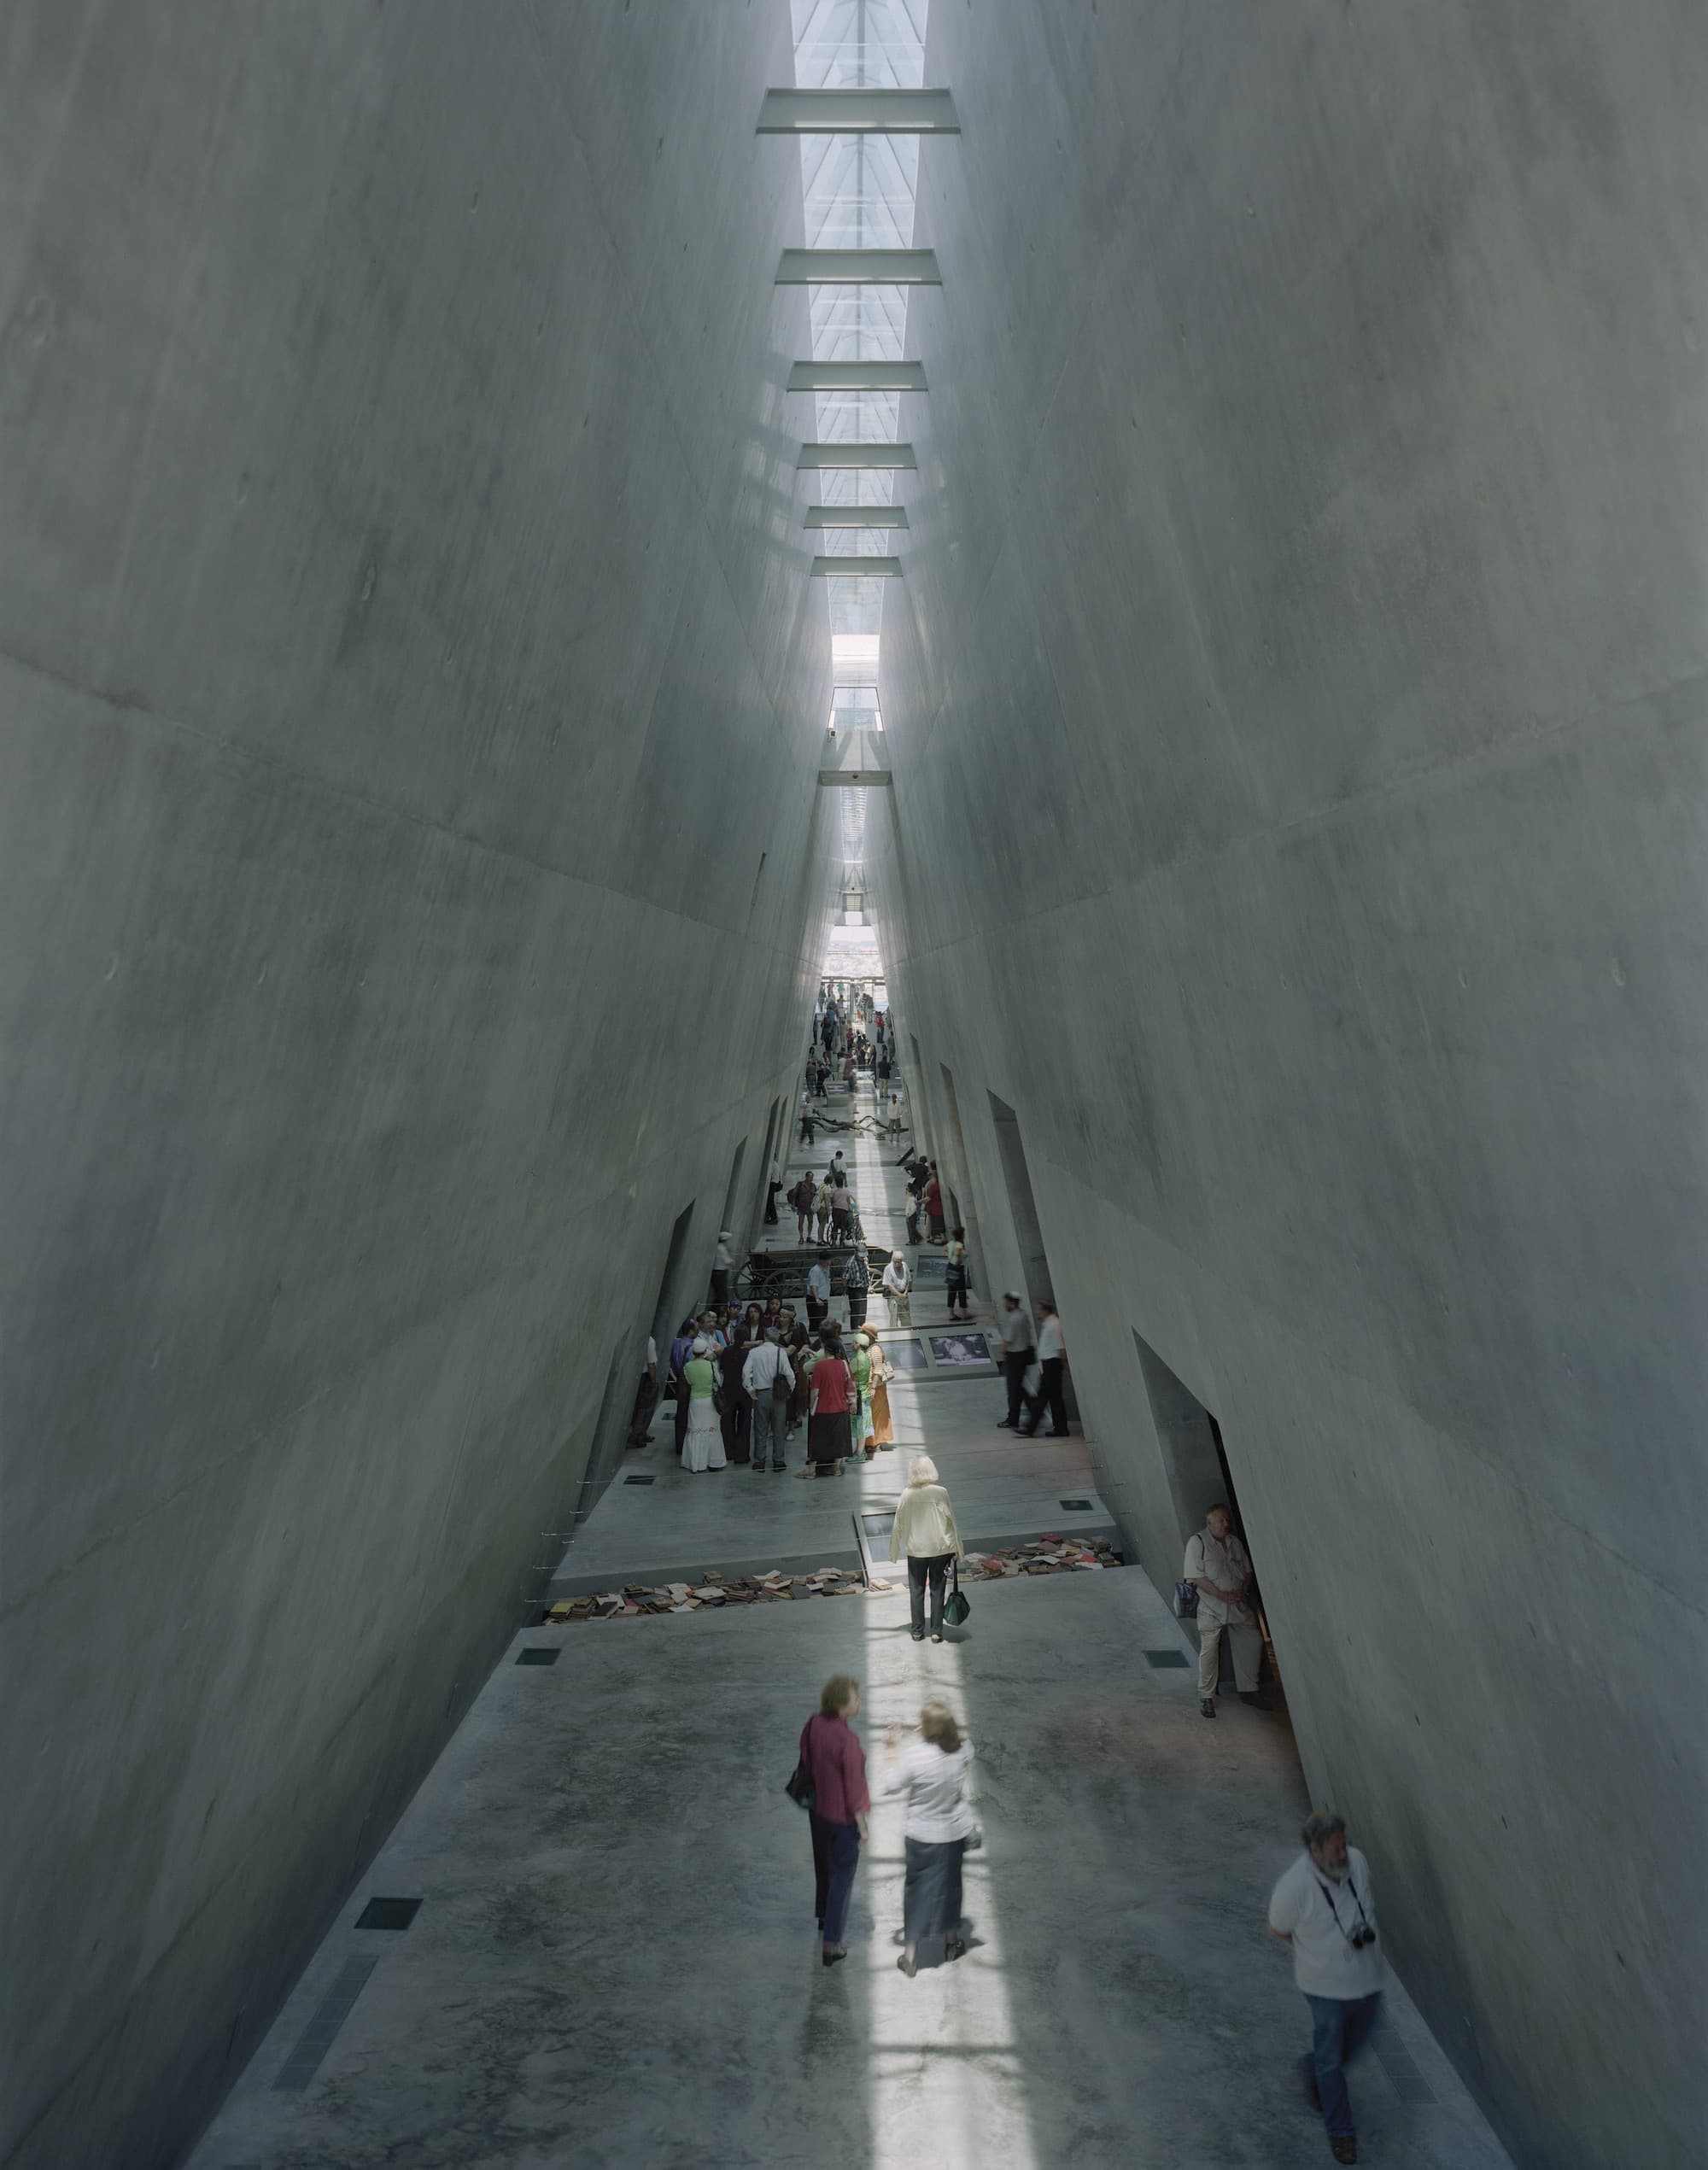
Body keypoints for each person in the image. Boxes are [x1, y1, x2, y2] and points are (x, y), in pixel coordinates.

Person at [1267, 1811, 1383, 2165]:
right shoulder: (1294, 1887)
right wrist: (1317, 1953)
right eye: (1335, 1849)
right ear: (1315, 1852)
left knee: (1355, 2043)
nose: (1344, 1854)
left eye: (1344, 1845)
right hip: (1325, 1990)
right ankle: (1341, 2132)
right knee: (1332, 2061)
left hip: (1367, 1981)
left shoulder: (1358, 1862)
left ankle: (1314, 2069)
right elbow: (1278, 1928)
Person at [880, 1702, 974, 1975]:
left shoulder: (915, 1757)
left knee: (916, 1892)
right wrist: (937, 1732)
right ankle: (952, 1944)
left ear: (926, 1727)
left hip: (920, 1836)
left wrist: (890, 1748)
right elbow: (963, 1745)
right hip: (951, 1836)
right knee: (950, 1890)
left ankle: (910, 1955)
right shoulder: (962, 1751)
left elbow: (890, 1784)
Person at [800, 1676, 869, 1968]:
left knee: (824, 1866)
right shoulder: (849, 1741)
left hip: (817, 1813)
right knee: (843, 1875)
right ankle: (832, 1944)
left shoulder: (814, 1724)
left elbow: (805, 1756)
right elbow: (854, 1789)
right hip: (842, 1819)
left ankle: (823, 1917)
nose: (859, 1703)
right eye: (855, 1699)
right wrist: (862, 1825)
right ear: (843, 1707)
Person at [1185, 1503, 1263, 1717]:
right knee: (1209, 1651)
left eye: (1227, 1520)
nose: (1226, 1524)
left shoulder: (1233, 1542)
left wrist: (1243, 1590)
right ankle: (1206, 1697)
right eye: (1221, 1521)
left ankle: (1249, 1690)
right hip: (1211, 1607)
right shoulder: (1197, 1542)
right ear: (1209, 1523)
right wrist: (1221, 1595)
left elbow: (1247, 1570)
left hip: (1237, 1605)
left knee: (1253, 1641)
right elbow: (1196, 1576)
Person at [888, 1453, 963, 1641]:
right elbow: (951, 1521)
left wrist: (894, 1551)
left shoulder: (907, 1494)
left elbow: (898, 1523)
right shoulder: (940, 1492)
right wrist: (957, 1548)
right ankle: (937, 1631)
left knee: (916, 1590)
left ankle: (917, 1630)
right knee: (938, 1590)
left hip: (916, 1550)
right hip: (940, 1549)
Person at [743, 1326, 795, 1472]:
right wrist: (790, 1389)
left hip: (761, 1393)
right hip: (779, 1394)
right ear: (777, 1338)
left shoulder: (754, 1353)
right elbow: (790, 1374)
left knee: (760, 1428)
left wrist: (750, 1389)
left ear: (764, 1336)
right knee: (779, 1429)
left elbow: (745, 1373)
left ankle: (759, 1462)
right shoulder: (781, 1352)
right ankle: (778, 1461)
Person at [804, 1325, 854, 1477]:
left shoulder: (820, 1366)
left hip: (822, 1410)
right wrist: (853, 1403)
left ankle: (812, 1470)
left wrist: (811, 1406)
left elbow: (815, 1391)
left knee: (818, 1441)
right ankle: (836, 1469)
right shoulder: (844, 1365)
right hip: (841, 1408)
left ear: (825, 1350)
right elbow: (851, 1385)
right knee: (838, 1440)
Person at [1021, 1299, 1068, 1436]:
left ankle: (1030, 1428)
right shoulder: (1049, 1323)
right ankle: (1061, 1428)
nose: (1038, 1312)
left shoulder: (1053, 1325)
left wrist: (1065, 1363)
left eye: (1039, 1309)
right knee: (1055, 1398)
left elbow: (1061, 1347)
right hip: (1049, 1364)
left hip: (1052, 1365)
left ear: (1046, 1310)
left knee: (1042, 1397)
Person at [680, 1337, 726, 1473]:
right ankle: (714, 1461)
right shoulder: (711, 1366)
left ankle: (696, 1463)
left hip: (695, 1402)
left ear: (694, 1351)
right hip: (710, 1402)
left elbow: (689, 1382)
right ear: (705, 1351)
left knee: (695, 1430)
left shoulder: (687, 1367)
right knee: (712, 1429)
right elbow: (719, 1381)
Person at [995, 1294, 1035, 1430]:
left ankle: (1014, 1419)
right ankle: (1034, 1410)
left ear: (1011, 1303)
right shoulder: (1023, 1315)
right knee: (1018, 1388)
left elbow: (1008, 1340)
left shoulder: (1013, 1319)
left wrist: (1001, 1352)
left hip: (1014, 1357)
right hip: (1024, 1355)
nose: (1004, 1305)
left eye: (1005, 1302)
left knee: (1013, 1390)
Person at [718, 1326, 752, 1463]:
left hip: (728, 1389)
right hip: (744, 1390)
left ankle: (728, 1451)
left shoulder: (726, 1351)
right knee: (744, 1421)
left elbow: (722, 1368)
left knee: (727, 1421)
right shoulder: (747, 1354)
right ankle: (742, 1454)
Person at [668, 1316, 697, 1459]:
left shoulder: (676, 1343)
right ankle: (686, 1444)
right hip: (688, 1381)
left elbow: (672, 1362)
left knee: (680, 1413)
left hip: (679, 1379)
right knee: (688, 1413)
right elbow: (692, 1368)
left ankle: (679, 1444)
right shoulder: (690, 1347)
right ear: (691, 1330)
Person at [625, 1333, 658, 1448]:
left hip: (636, 1376)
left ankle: (639, 1434)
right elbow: (651, 1364)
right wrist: (654, 1382)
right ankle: (637, 1435)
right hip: (645, 1377)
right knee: (644, 1408)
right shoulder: (650, 1341)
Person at [864, 1329, 895, 1448]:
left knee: (875, 1415)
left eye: (863, 1333)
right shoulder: (871, 1348)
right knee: (873, 1414)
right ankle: (872, 1442)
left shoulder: (875, 1349)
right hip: (873, 1386)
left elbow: (877, 1370)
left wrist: (873, 1388)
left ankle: (875, 1443)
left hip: (875, 1387)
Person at [850, 1328, 874, 1458]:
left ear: (859, 1345)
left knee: (859, 1424)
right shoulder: (866, 1358)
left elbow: (848, 1377)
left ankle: (859, 1453)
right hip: (865, 1394)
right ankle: (860, 1451)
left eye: (854, 1342)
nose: (852, 1345)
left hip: (857, 1395)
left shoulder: (856, 1361)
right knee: (864, 1423)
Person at [844, 1241, 870, 1330]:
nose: (862, 1257)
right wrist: (846, 1290)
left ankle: (863, 1327)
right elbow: (844, 1278)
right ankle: (855, 1330)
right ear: (855, 1252)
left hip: (864, 1288)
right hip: (855, 1290)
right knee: (856, 1312)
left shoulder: (865, 1259)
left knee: (863, 1311)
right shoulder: (851, 1263)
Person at [881, 1249, 910, 1329]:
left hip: (904, 1295)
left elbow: (908, 1281)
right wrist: (900, 1295)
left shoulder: (905, 1265)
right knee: (894, 1320)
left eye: (899, 1262)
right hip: (893, 1296)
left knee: (906, 1319)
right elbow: (889, 1286)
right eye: (895, 1262)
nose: (897, 1264)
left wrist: (905, 1293)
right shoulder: (888, 1268)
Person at [944, 1226, 969, 1316]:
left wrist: (949, 1257)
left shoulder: (951, 1243)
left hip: (950, 1267)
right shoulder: (959, 1244)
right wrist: (957, 1261)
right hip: (957, 1268)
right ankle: (964, 1313)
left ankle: (951, 1313)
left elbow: (943, 1249)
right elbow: (958, 1253)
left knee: (951, 1290)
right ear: (962, 1235)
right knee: (962, 1290)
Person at [805, 1253, 831, 1334]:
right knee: (815, 1323)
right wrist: (817, 1299)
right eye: (826, 1261)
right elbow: (814, 1286)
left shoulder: (826, 1269)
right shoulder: (815, 1270)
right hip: (815, 1299)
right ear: (821, 1261)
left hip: (823, 1299)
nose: (828, 1262)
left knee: (823, 1322)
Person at [711, 1231, 734, 1308]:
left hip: (717, 1272)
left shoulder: (719, 1247)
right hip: (720, 1273)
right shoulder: (722, 1248)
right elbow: (727, 1261)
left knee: (720, 1293)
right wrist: (732, 1262)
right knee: (723, 1295)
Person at [828, 1175, 854, 1245]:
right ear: (842, 1182)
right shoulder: (846, 1191)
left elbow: (831, 1200)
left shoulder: (833, 1190)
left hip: (835, 1210)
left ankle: (834, 1239)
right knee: (843, 1225)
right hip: (843, 1210)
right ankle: (842, 1239)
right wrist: (851, 1208)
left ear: (836, 1183)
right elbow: (848, 1201)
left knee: (835, 1225)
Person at [793, 1169, 816, 1243]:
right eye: (810, 1177)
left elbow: (815, 1196)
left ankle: (809, 1236)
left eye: (812, 1177)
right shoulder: (800, 1185)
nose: (811, 1179)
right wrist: (793, 1205)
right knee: (801, 1222)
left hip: (810, 1207)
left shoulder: (813, 1186)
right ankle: (801, 1237)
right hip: (801, 1206)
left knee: (810, 1222)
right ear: (806, 1177)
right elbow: (794, 1194)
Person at [923, 1165, 945, 1243]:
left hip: (933, 1208)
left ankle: (938, 1238)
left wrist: (919, 1202)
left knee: (933, 1223)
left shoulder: (933, 1186)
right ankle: (937, 1237)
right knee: (938, 1224)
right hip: (938, 1207)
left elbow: (928, 1197)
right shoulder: (939, 1185)